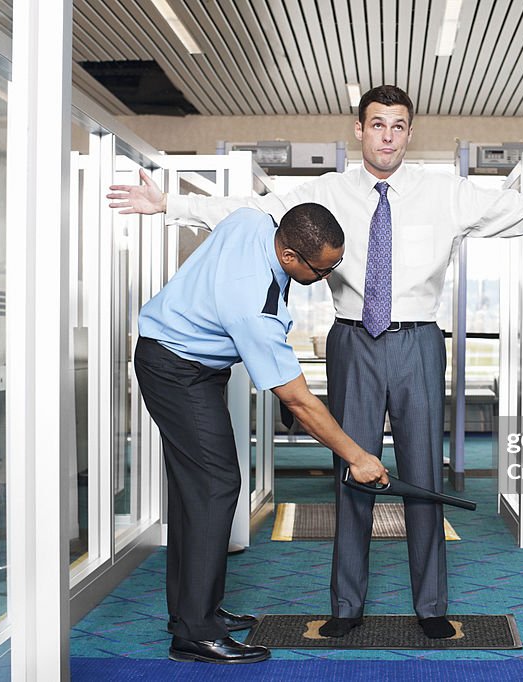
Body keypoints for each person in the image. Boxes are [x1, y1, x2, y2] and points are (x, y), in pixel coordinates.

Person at [107, 85, 523, 640]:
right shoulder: (326, 192)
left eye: (398, 126)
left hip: (419, 342)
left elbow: (521, 210)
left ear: (409, 132)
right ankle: (347, 606)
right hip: (354, 339)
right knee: (352, 469)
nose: (388, 136)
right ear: (359, 129)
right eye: (378, 125)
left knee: (422, 471)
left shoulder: (446, 193)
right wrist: (170, 206)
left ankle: (431, 605)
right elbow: (248, 213)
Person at [131, 202, 388, 664]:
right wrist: (357, 456)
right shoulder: (254, 305)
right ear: (290, 257)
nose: (328, 275)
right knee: (215, 486)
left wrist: (167, 204)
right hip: (176, 368)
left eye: (336, 264)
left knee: (196, 489)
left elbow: (220, 214)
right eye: (323, 269)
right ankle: (195, 633)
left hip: (187, 359)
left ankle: (192, 610)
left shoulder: (251, 220)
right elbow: (299, 401)